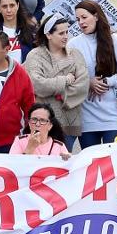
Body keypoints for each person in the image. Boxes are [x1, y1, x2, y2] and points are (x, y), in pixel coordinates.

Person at [12, 103, 72, 234]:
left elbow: (70, 173)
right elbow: (13, 171)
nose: (37, 124)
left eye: (42, 121)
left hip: (51, 206)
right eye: (33, 120)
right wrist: (30, 148)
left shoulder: (58, 146)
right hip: (28, 206)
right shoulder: (19, 142)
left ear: (50, 124)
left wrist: (67, 161)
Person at [72, 0, 117, 149]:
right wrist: (88, 82)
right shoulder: (73, 44)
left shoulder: (115, 40)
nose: (81, 22)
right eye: (77, 19)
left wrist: (107, 82)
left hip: (114, 117)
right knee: (92, 167)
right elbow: (68, 78)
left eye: (84, 17)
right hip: (87, 118)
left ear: (96, 16)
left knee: (112, 166)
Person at [23, 14, 88, 149]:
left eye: (67, 32)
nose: (66, 36)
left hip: (69, 120)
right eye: (61, 33)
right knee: (41, 161)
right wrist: (65, 80)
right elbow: (37, 85)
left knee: (63, 163)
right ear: (48, 35)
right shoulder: (34, 56)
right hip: (42, 120)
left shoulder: (75, 54)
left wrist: (59, 95)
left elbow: (82, 86)